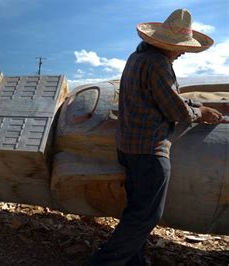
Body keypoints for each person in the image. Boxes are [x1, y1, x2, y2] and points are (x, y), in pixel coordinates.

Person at [90, 9, 223, 265]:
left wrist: (195, 104)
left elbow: (156, 97)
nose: (182, 52)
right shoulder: (157, 63)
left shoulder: (136, 58)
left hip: (128, 146)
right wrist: (200, 112)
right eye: (180, 48)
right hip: (149, 149)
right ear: (166, 45)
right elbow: (174, 109)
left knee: (136, 210)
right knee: (147, 215)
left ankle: (133, 261)